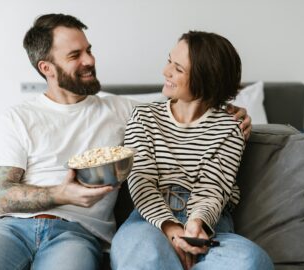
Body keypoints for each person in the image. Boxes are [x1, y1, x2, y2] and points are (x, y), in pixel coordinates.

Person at [0, 14, 252, 270]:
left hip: (76, 233)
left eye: (89, 50)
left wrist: (228, 109)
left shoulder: (122, 110)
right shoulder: (18, 117)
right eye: (75, 55)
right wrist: (64, 194)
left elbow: (184, 105)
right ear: (47, 68)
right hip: (9, 228)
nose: (89, 60)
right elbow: (1, 197)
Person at [111, 31, 274, 270]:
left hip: (211, 223)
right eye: (169, 61)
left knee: (252, 262)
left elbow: (213, 187)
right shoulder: (143, 116)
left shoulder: (230, 127)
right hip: (150, 221)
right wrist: (171, 228)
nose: (165, 71)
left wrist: (196, 225)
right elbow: (141, 180)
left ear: (205, 78)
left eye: (178, 68)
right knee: (142, 257)